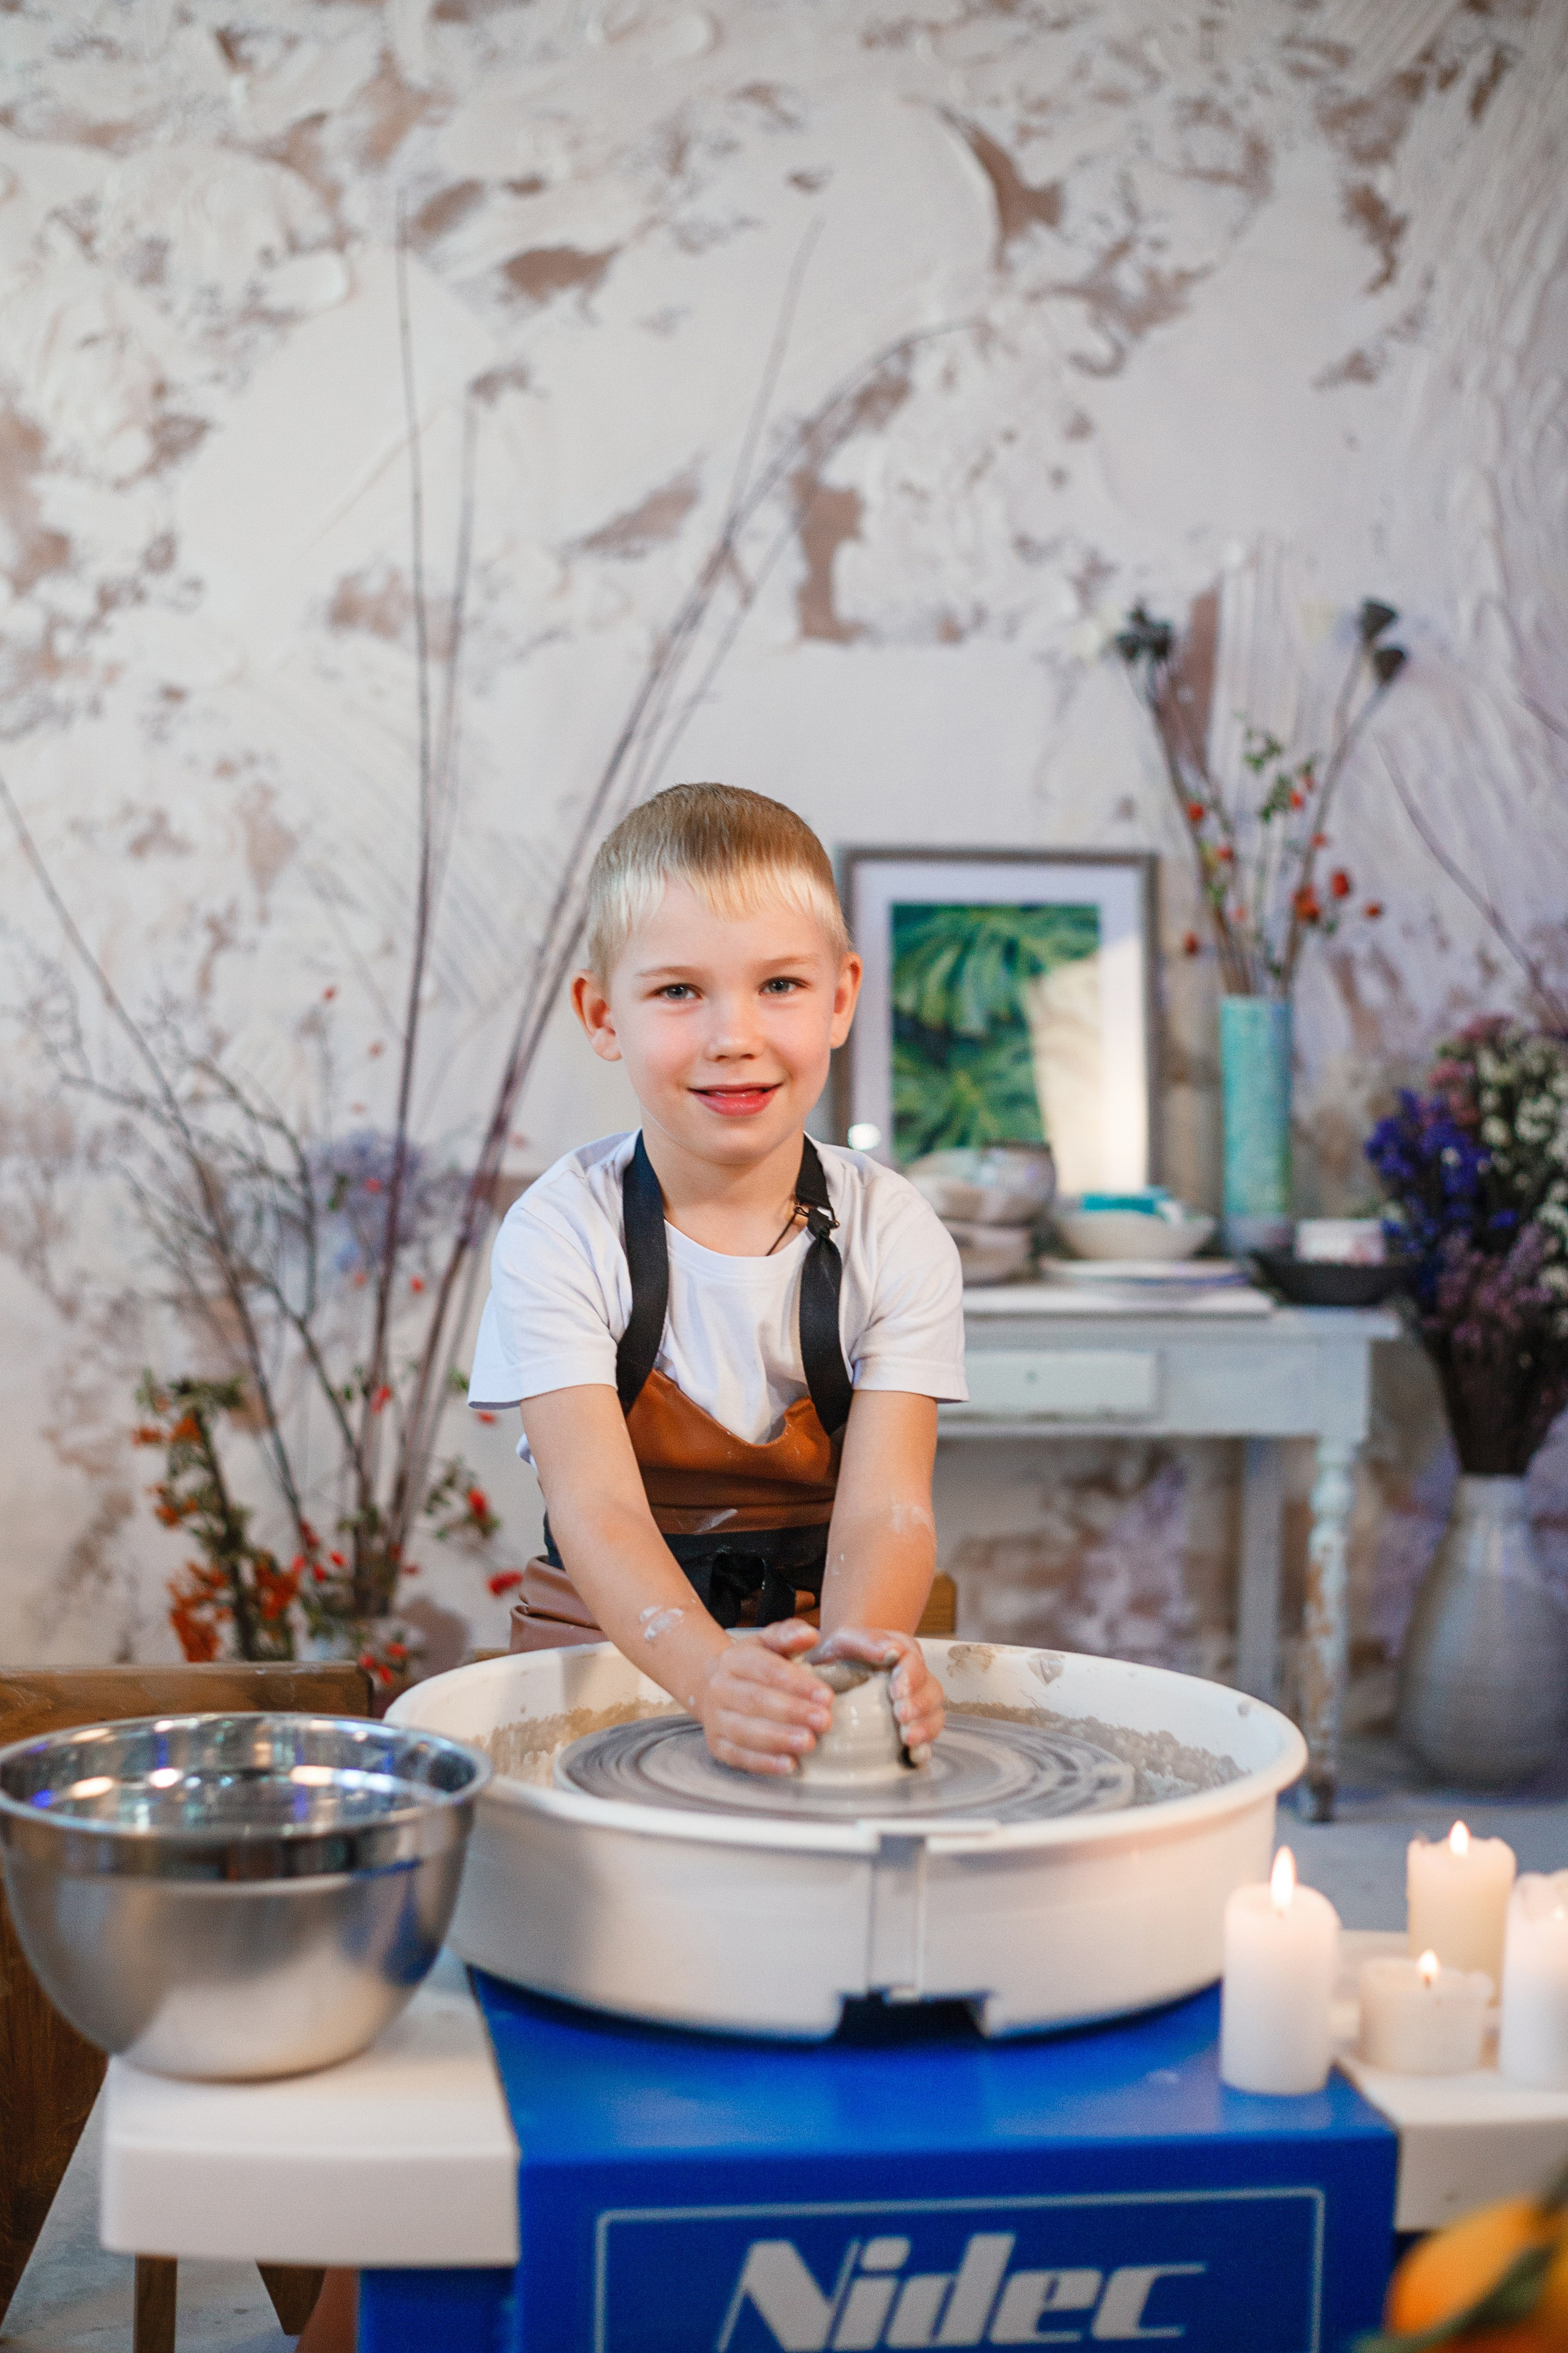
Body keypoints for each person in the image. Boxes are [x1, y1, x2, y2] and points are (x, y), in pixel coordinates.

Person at [469, 781, 968, 1771]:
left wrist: (851, 1680)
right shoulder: (562, 1233)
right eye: (678, 991)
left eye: (779, 985)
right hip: (607, 1646)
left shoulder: (894, 1232)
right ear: (602, 1013)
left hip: (819, 1634)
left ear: (841, 996)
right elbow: (596, 1508)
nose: (732, 1034)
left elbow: (888, 1508)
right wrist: (706, 1675)